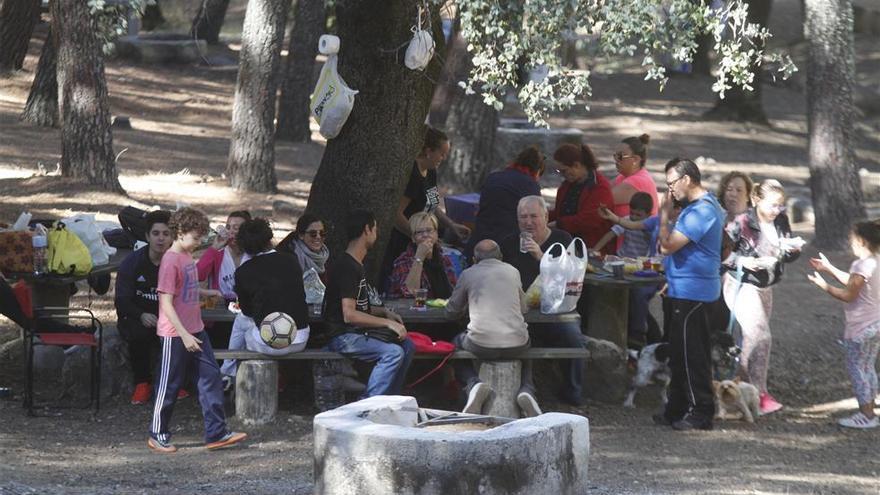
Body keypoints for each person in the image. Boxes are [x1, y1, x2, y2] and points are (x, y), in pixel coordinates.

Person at [149, 207, 246, 453]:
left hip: (196, 329)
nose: (198, 242)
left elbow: (187, 287)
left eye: (201, 238)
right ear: (180, 233)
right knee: (169, 383)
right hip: (176, 333)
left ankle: (216, 432)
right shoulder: (170, 261)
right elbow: (166, 302)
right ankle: (157, 433)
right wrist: (183, 334)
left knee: (211, 377)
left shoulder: (186, 256)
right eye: (195, 237)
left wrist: (207, 292)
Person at [654, 158, 725, 431]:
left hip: (695, 294)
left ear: (686, 180)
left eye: (671, 184)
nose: (669, 191)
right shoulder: (695, 208)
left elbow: (667, 245)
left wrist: (663, 214)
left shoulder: (702, 211)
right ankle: (677, 407)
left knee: (693, 354)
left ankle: (701, 411)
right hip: (681, 288)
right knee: (679, 353)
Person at [722, 179, 800, 415]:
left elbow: (785, 254)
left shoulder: (782, 221)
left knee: (753, 339)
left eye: (781, 205)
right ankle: (758, 392)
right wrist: (745, 262)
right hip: (741, 285)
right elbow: (721, 255)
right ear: (756, 200)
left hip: (766, 286)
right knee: (760, 336)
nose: (777, 210)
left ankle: (741, 391)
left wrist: (791, 251)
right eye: (773, 205)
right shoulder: (742, 222)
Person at [500, 195, 586, 406]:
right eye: (523, 217)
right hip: (521, 311)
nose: (528, 222)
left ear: (546, 217)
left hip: (557, 310)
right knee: (516, 339)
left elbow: (570, 277)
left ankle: (573, 391)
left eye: (533, 216)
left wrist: (540, 256)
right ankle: (526, 390)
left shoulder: (562, 240)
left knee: (574, 338)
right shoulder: (510, 243)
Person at [324, 209, 415, 397]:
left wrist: (383, 312)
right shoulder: (347, 267)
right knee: (393, 353)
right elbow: (349, 315)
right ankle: (368, 405)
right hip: (343, 336)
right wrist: (388, 323)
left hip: (355, 332)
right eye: (375, 228)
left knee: (407, 346)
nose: (376, 233)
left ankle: (389, 399)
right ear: (367, 229)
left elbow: (359, 307)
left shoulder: (357, 264)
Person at [446, 239, 541, 417]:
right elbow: (523, 308)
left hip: (480, 345)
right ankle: (527, 389)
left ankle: (473, 384)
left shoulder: (468, 274)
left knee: (454, 344)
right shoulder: (513, 271)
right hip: (516, 345)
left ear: (474, 259)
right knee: (526, 338)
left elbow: (451, 312)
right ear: (501, 257)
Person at [807, 220, 880, 429]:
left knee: (857, 369)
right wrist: (829, 268)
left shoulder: (861, 264)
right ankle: (870, 410)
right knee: (868, 367)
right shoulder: (876, 260)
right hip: (876, 324)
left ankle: (866, 415)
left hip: (860, 328)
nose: (851, 244)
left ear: (861, 241)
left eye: (852, 240)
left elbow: (848, 294)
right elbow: (855, 283)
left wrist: (824, 285)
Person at [221, 218, 311, 385]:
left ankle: (227, 370)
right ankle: (228, 371)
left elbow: (247, 311)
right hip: (300, 339)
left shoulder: (244, 272)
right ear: (269, 239)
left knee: (241, 320)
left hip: (269, 344)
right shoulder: (291, 261)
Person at [381, 127, 471, 290]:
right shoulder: (412, 176)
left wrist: (451, 224)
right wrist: (418, 235)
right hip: (403, 241)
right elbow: (396, 215)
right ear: (429, 151)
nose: (443, 158)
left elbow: (433, 203)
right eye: (441, 154)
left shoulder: (431, 172)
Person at [115, 210, 178, 405]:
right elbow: (122, 300)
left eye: (165, 234)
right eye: (156, 233)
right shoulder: (132, 263)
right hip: (138, 317)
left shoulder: (178, 263)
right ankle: (142, 383)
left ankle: (176, 383)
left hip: (169, 317)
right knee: (139, 334)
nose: (160, 239)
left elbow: (185, 298)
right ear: (147, 236)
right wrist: (141, 314)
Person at [597, 193, 663, 347]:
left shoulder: (649, 225)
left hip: (642, 265)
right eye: (632, 213)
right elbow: (611, 234)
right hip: (623, 260)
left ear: (648, 214)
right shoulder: (627, 220)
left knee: (637, 296)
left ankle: (638, 335)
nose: (633, 217)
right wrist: (596, 249)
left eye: (638, 215)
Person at [466, 146, 544, 260]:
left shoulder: (493, 177)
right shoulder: (530, 185)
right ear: (537, 170)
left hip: (480, 238)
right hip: (508, 243)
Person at [197, 210, 251, 348]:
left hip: (248, 312)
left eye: (237, 228)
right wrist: (214, 247)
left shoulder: (253, 254)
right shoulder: (219, 253)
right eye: (228, 227)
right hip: (221, 311)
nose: (231, 232)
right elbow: (198, 274)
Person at [549, 143, 615, 255]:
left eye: (563, 171)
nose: (561, 175)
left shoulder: (600, 187)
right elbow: (560, 212)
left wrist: (557, 224)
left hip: (592, 249)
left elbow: (589, 220)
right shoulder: (567, 185)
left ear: (577, 165)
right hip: (568, 246)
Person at [387, 212, 457, 299]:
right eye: (419, 232)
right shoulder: (403, 262)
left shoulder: (444, 259)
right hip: (410, 310)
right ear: (413, 238)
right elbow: (410, 292)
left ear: (436, 234)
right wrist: (419, 257)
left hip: (441, 309)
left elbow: (454, 292)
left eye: (429, 230)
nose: (425, 235)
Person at [611, 134, 660, 218]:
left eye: (620, 156)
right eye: (615, 156)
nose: (616, 160)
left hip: (635, 231)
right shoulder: (623, 176)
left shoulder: (637, 181)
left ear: (635, 160)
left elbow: (601, 198)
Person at [276, 213, 330, 283]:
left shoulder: (324, 258)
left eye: (322, 233)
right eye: (313, 233)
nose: (318, 237)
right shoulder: (289, 257)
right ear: (301, 235)